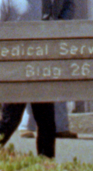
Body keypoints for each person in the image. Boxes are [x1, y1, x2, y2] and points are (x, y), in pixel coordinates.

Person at [0, 0, 57, 158]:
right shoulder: (4, 1)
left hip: (36, 66)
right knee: (10, 120)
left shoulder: (39, 2)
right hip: (14, 69)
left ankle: (46, 165)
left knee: (47, 122)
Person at [18, 0, 78, 141]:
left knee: (58, 77)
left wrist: (62, 22)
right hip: (35, 30)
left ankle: (60, 127)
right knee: (33, 76)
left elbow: (69, 4)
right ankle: (27, 125)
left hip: (57, 31)